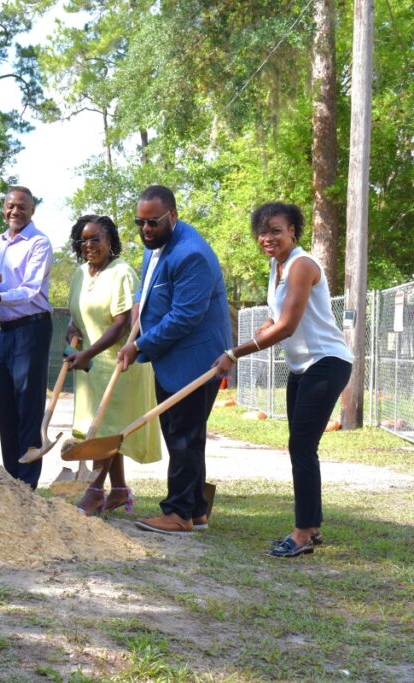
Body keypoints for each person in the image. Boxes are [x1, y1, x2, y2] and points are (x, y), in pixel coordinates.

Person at [212, 202, 353, 557]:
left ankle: (302, 534)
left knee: (301, 446)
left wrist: (234, 353)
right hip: (303, 367)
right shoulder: (276, 267)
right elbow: (277, 320)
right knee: (301, 445)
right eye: (262, 232)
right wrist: (265, 327)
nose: (267, 238)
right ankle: (312, 525)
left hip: (328, 362)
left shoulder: (302, 265)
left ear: (293, 231)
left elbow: (287, 326)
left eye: (276, 230)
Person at [116, 185, 232, 535]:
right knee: (183, 435)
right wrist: (138, 306)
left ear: (173, 216)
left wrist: (139, 346)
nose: (146, 230)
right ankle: (195, 510)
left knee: (183, 437)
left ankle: (178, 513)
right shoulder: (155, 246)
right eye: (140, 222)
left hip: (195, 363)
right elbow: (148, 287)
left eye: (153, 222)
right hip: (172, 359)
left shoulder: (191, 254)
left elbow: (185, 316)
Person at [63, 215, 161, 515]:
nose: (89, 245)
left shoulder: (122, 273)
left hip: (118, 364)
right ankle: (118, 491)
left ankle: (94, 491)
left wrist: (89, 353)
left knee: (104, 430)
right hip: (90, 365)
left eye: (96, 239)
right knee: (106, 429)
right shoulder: (80, 273)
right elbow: (79, 312)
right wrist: (73, 328)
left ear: (110, 241)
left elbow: (121, 325)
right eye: (83, 240)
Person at [0, 186, 54, 489]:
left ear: (32, 210)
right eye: (9, 206)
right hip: (3, 333)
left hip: (31, 330)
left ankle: (27, 484)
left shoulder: (39, 243)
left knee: (27, 406)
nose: (14, 212)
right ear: (3, 209)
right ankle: (10, 478)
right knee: (4, 403)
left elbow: (31, 289)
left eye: (21, 206)